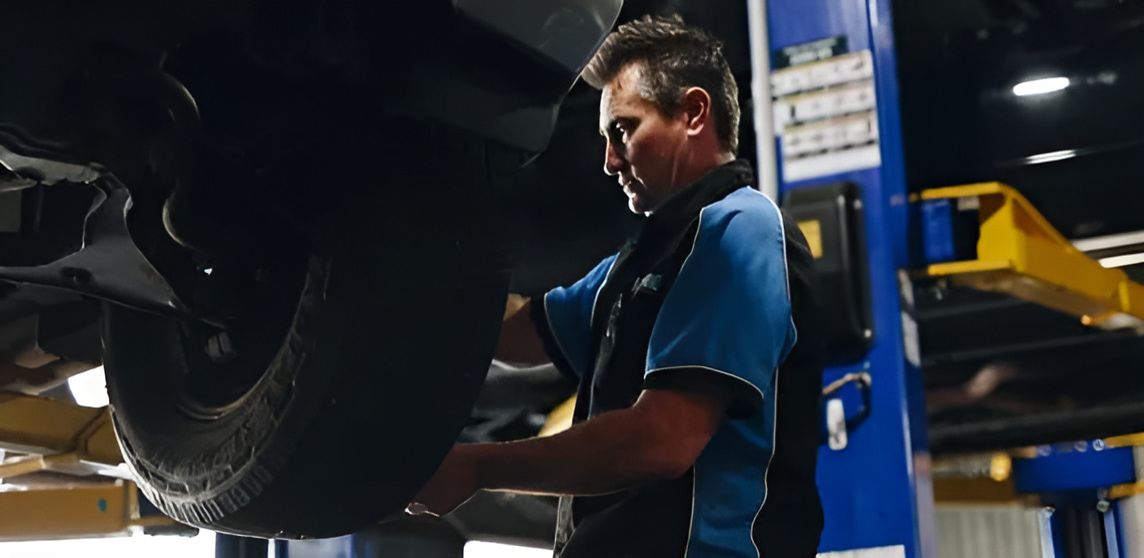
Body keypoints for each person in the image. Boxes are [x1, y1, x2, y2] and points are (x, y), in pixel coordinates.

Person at [409, 14, 825, 557]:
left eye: (624, 129)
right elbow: (518, 335)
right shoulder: (642, 261)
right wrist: (412, 288)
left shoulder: (739, 229)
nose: (609, 161)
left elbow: (662, 440)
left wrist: (478, 466)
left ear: (694, 113)